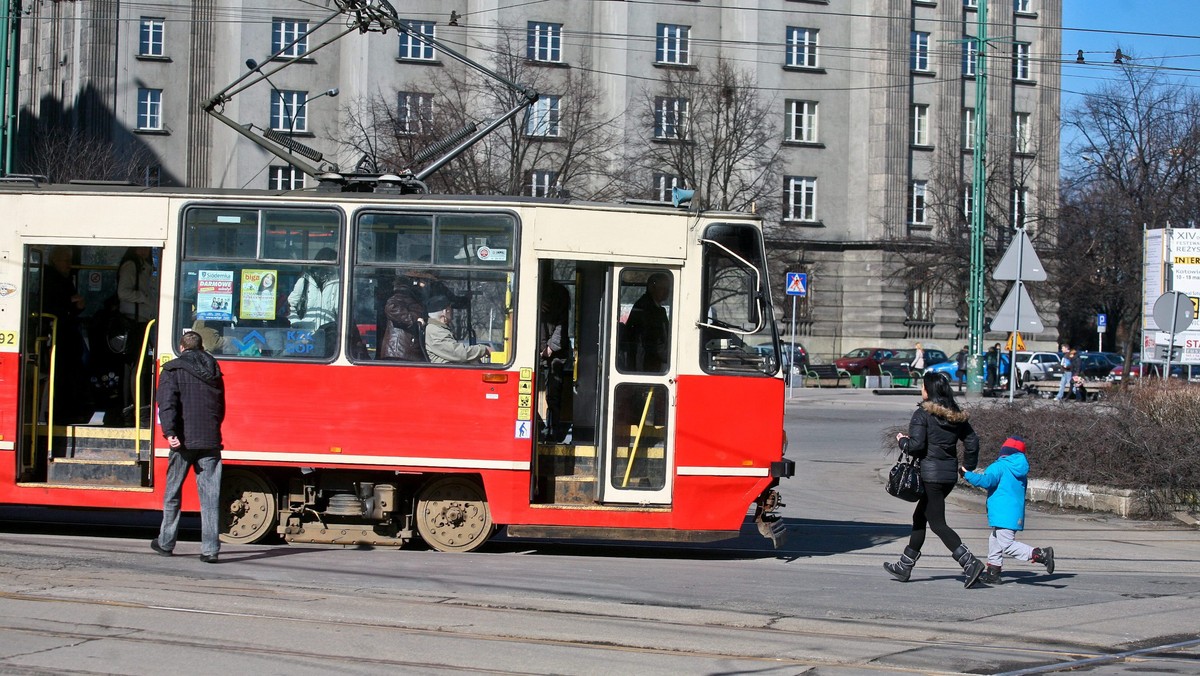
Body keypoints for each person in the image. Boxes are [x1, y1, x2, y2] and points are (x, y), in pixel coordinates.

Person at [884, 371, 985, 588]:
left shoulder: (922, 414)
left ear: (929, 390)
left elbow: (917, 446)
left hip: (930, 476)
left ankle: (970, 562)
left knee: (937, 523)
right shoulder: (955, 415)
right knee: (920, 517)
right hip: (948, 476)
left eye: (923, 386)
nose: (921, 389)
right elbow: (972, 441)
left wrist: (902, 441)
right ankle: (905, 565)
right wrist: (968, 465)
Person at [151, 331, 226, 563]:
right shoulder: (214, 370)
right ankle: (210, 550)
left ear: (181, 347)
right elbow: (220, 407)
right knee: (210, 497)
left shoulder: (172, 370)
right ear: (201, 347)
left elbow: (167, 404)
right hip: (210, 440)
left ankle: (165, 542)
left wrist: (170, 433)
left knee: (173, 492)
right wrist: (213, 429)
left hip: (183, 441)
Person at [960, 435, 1056, 584]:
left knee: (1007, 544)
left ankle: (1039, 554)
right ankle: (993, 572)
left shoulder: (999, 466)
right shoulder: (1020, 470)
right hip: (1014, 513)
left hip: (1002, 512)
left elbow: (986, 481)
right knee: (995, 539)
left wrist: (966, 474)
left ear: (1004, 451)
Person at [42, 247, 89, 422]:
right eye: (65, 260)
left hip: (67, 333)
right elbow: (46, 304)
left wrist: (78, 306)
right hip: (55, 334)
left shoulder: (65, 279)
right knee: (59, 374)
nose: (69, 265)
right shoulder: (48, 278)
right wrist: (70, 301)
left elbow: (70, 310)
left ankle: (71, 410)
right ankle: (57, 412)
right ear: (54, 260)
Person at [117, 247, 158, 422]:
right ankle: (136, 409)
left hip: (144, 319)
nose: (145, 250)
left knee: (140, 365)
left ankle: (136, 407)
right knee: (136, 366)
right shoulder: (131, 265)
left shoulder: (145, 265)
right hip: (134, 321)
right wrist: (145, 297)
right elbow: (123, 292)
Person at [538, 279, 572, 442]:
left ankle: (552, 430)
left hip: (554, 354)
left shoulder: (558, 296)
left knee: (553, 394)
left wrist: (550, 348)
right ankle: (542, 428)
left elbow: (562, 326)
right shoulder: (534, 297)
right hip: (543, 350)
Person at [621, 272, 671, 372]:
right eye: (663, 288)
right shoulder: (646, 308)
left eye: (668, 288)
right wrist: (669, 357)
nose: (666, 292)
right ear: (652, 287)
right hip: (645, 361)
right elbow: (653, 340)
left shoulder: (656, 307)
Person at [379, 270, 431, 361]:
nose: (426, 284)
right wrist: (415, 320)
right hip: (400, 351)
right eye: (424, 281)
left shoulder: (413, 296)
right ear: (415, 282)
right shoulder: (403, 295)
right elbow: (391, 308)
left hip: (404, 349)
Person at [424, 294, 490, 364]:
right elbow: (457, 353)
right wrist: (484, 350)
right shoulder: (435, 331)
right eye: (450, 308)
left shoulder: (439, 328)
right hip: (447, 372)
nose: (453, 311)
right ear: (445, 312)